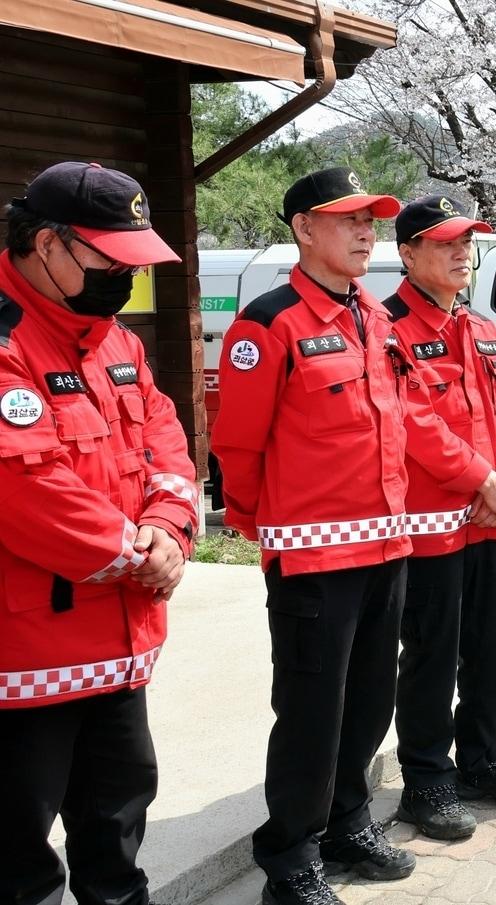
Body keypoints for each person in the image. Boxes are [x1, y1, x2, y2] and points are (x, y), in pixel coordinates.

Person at [212, 168, 427, 904]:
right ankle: (290, 856)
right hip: (313, 558)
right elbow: (237, 448)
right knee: (311, 712)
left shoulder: (375, 314)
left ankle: (348, 823)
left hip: (386, 549)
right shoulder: (268, 324)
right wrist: (263, 526)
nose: (368, 232)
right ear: (304, 228)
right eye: (349, 220)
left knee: (369, 702)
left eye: (372, 220)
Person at [0, 161, 197, 905]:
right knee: (18, 854)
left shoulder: (118, 342)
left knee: (116, 830)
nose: (124, 279)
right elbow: (22, 485)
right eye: (110, 261)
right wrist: (133, 555)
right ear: (46, 244)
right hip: (23, 656)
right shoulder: (6, 339)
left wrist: (170, 526)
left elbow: (166, 439)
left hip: (116, 643)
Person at [385, 195, 496, 841]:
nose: (461, 252)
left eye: (466, 241)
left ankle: (481, 759)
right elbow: (410, 421)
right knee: (431, 657)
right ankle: (426, 780)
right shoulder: (387, 327)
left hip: (492, 520)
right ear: (407, 252)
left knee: (491, 652)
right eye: (445, 242)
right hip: (430, 526)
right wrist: (483, 479)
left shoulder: (483, 330)